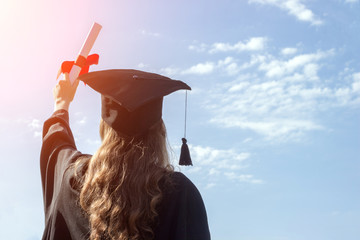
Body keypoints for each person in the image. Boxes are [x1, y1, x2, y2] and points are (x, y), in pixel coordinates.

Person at [40, 70, 211, 240]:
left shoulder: (75, 180)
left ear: (104, 128)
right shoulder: (179, 193)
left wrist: (61, 104)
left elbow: (56, 145)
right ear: (159, 132)